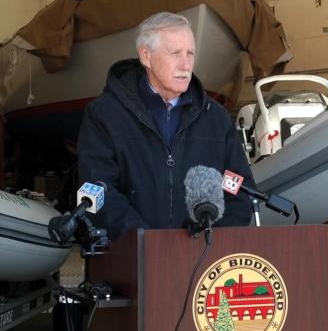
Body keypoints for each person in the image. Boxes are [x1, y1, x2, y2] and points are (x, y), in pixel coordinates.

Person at [77, 12, 255, 240]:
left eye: (190, 53)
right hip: (130, 258)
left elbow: (237, 188)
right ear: (146, 56)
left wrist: (208, 239)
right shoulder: (105, 115)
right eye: (175, 53)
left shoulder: (217, 119)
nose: (186, 64)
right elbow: (96, 189)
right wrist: (144, 239)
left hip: (203, 260)